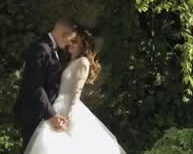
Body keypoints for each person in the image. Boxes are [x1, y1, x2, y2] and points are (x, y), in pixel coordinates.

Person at [23, 25, 126, 154]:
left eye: (75, 41)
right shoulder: (69, 61)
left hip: (67, 106)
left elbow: (76, 91)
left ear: (83, 45)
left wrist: (70, 114)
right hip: (56, 103)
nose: (70, 44)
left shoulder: (83, 62)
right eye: (71, 41)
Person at [13, 18, 78, 150]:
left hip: (42, 112)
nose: (69, 44)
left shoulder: (49, 48)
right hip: (34, 113)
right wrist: (52, 115)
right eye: (69, 39)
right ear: (63, 34)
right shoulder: (41, 49)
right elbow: (34, 86)